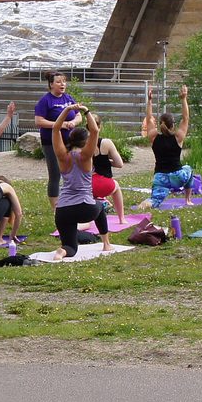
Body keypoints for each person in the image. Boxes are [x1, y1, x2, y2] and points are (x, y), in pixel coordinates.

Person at [46, 103, 113, 261]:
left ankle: (61, 252)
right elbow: (95, 130)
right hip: (85, 208)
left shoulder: (62, 155)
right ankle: (106, 244)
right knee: (100, 206)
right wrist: (86, 111)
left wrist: (67, 110)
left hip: (62, 210)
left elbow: (55, 129)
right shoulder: (85, 156)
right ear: (86, 141)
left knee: (70, 247)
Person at [142, 83, 193, 208]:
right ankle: (187, 200)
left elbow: (148, 119)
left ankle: (145, 204)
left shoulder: (154, 137)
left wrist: (149, 101)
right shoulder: (178, 137)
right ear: (173, 125)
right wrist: (184, 98)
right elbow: (186, 118)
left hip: (160, 178)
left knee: (153, 200)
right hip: (178, 177)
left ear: (160, 124)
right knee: (189, 169)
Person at [34, 72, 78, 197]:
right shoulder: (45, 101)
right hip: (51, 142)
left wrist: (73, 122)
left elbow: (78, 114)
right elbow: (39, 121)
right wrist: (59, 125)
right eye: (58, 82)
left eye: (64, 81)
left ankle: (70, 198)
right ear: (51, 84)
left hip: (69, 141)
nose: (62, 84)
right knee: (55, 174)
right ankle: (55, 206)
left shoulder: (68, 98)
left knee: (71, 171)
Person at [91, 134, 130, 220]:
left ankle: (89, 218)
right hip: (105, 184)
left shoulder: (82, 144)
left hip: (87, 186)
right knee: (116, 186)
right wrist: (106, 162)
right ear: (99, 127)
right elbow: (119, 164)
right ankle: (121, 218)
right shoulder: (107, 143)